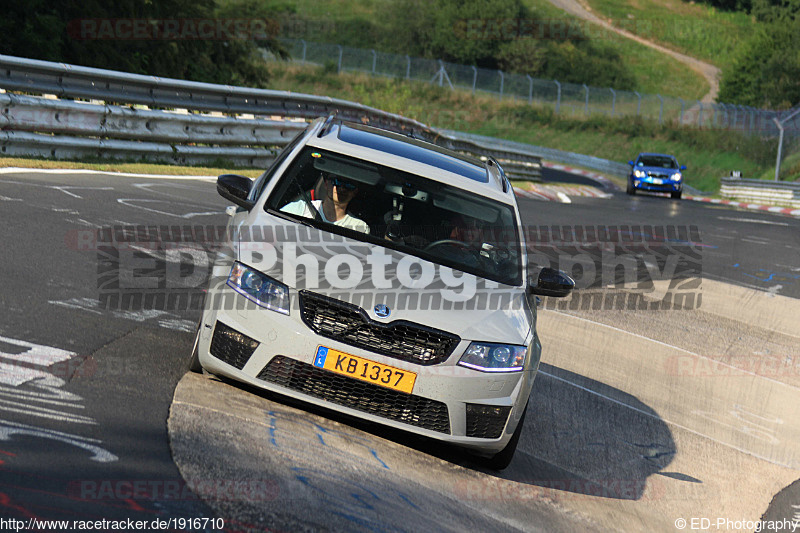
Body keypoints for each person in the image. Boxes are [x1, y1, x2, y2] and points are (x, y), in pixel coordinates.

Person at [280, 173, 370, 234]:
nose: (342, 189)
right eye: (337, 182)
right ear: (326, 184)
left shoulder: (360, 227)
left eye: (349, 185)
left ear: (355, 191)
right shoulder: (300, 209)